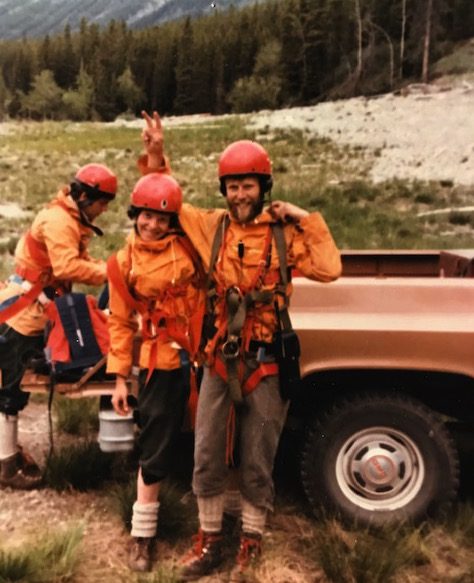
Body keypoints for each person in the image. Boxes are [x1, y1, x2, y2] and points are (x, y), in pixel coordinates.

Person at [140, 112, 342, 582]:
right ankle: (209, 539)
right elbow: (163, 197)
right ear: (224, 191)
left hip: (267, 364)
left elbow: (331, 268)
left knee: (257, 457)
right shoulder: (211, 228)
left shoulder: (285, 235)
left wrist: (304, 218)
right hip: (219, 360)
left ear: (263, 186)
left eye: (248, 185)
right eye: (232, 186)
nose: (240, 194)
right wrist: (154, 152)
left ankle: (251, 539)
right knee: (207, 452)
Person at [107, 172, 204, 573]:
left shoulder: (189, 246)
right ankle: (142, 534)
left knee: (220, 435)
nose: (152, 225)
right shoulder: (122, 262)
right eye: (146, 215)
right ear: (135, 214)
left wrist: (159, 155)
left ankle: (218, 525)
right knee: (155, 444)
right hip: (159, 361)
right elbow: (119, 322)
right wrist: (119, 378)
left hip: (202, 354)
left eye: (162, 219)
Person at [0, 163, 117, 490]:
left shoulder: (69, 217)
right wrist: (112, 272)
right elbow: (67, 266)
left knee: (19, 381)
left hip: (39, 304)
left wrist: (108, 266)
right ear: (84, 196)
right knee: (10, 389)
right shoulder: (58, 221)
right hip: (24, 312)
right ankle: (6, 465)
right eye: (102, 202)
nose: (104, 209)